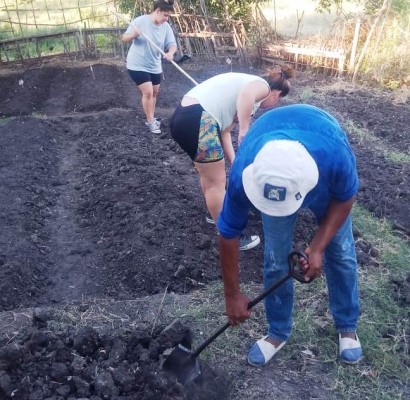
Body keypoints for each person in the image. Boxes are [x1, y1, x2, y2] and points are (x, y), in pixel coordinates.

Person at [217, 104, 362, 365]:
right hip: (273, 145)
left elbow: (345, 198)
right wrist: (232, 295)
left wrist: (317, 247)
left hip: (320, 153)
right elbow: (228, 233)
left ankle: (347, 324)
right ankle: (278, 331)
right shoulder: (246, 171)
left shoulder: (334, 156)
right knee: (276, 257)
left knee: (340, 251)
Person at [170, 66, 294, 251]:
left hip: (184, 119)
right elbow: (246, 94)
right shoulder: (262, 86)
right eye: (279, 98)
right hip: (199, 119)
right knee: (216, 182)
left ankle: (216, 213)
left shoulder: (241, 90)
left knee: (210, 177)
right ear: (275, 92)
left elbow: (225, 133)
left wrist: (236, 164)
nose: (275, 103)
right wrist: (244, 128)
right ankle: (230, 235)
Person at [122, 0, 177, 134]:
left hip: (154, 65)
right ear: (157, 11)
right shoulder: (140, 21)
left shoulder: (165, 27)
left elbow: (172, 44)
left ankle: (151, 117)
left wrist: (170, 53)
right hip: (137, 64)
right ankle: (151, 122)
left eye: (168, 16)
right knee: (147, 92)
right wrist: (133, 35)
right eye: (165, 15)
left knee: (154, 92)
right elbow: (124, 38)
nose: (166, 18)